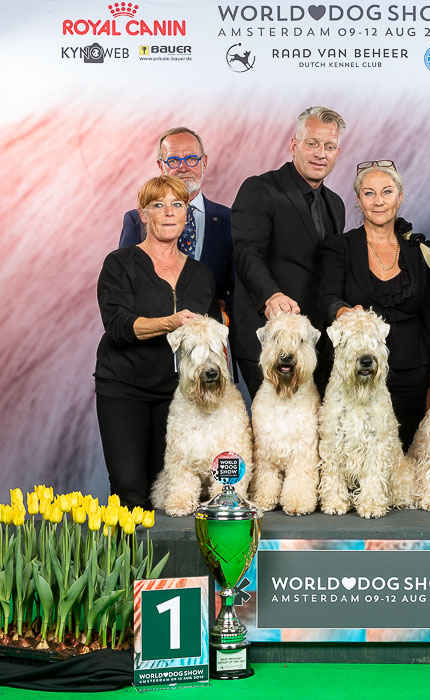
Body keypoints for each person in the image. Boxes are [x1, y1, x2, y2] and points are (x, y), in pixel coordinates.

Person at [95, 175, 221, 508]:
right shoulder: (119, 264)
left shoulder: (202, 274)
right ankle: (127, 545)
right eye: (158, 205)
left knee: (167, 490)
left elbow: (212, 338)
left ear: (186, 215)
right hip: (124, 388)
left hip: (179, 393)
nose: (168, 212)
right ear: (143, 214)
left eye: (177, 205)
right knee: (129, 489)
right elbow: (118, 326)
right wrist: (171, 322)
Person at [318, 161, 430, 450]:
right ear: (359, 199)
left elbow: (429, 318)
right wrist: (343, 312)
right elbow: (326, 297)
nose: (378, 201)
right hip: (356, 373)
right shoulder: (340, 246)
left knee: (404, 457)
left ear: (400, 196)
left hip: (411, 375)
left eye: (387, 192)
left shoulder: (418, 249)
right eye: (369, 193)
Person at [231, 106, 346, 398]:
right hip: (268, 339)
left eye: (329, 146)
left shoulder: (336, 204)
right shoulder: (259, 189)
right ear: (294, 145)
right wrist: (271, 295)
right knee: (275, 425)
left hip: (315, 344)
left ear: (337, 152)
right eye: (312, 143)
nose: (320, 153)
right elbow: (246, 252)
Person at [119, 127, 234, 320]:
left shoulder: (228, 219)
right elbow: (124, 283)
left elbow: (240, 285)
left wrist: (222, 311)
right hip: (152, 330)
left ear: (204, 163)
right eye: (173, 160)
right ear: (161, 166)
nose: (183, 167)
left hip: (210, 329)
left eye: (191, 159)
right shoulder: (137, 219)